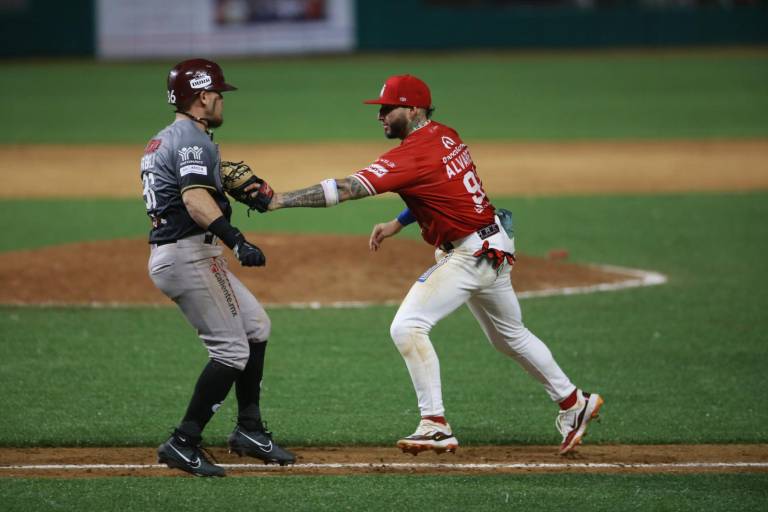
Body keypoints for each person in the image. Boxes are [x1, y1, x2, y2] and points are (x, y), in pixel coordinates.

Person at [251, 74, 603, 456]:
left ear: (413, 109)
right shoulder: (444, 134)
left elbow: (348, 188)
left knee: (408, 326)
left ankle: (434, 424)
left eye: (388, 108)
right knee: (509, 336)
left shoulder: (410, 154)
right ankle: (574, 402)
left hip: (471, 253)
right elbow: (437, 188)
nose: (381, 115)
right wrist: (397, 223)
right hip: (495, 242)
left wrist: (279, 200)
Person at [141, 58, 295, 477]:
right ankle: (183, 441)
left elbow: (195, 182)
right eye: (218, 94)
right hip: (188, 254)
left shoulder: (171, 138)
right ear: (202, 97)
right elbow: (193, 199)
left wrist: (223, 177)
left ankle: (249, 429)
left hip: (187, 252)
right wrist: (237, 239)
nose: (222, 100)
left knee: (255, 328)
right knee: (230, 350)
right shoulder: (192, 139)